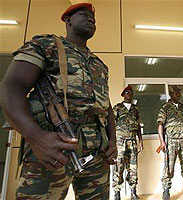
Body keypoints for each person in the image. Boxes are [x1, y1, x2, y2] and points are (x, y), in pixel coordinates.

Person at [0, 3, 117, 199]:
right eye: (84, 14)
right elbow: (11, 86)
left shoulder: (99, 64)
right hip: (53, 147)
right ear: (68, 20)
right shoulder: (46, 45)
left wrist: (112, 140)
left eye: (93, 18)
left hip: (98, 153)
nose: (91, 19)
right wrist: (36, 137)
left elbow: (107, 107)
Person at [112, 85, 143, 200]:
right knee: (118, 167)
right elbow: (111, 124)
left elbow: (139, 126)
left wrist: (141, 141)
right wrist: (112, 142)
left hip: (132, 142)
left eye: (131, 93)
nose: (129, 94)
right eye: (127, 92)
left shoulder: (135, 109)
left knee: (133, 168)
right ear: (123, 95)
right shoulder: (117, 108)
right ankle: (117, 193)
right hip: (120, 142)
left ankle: (133, 192)